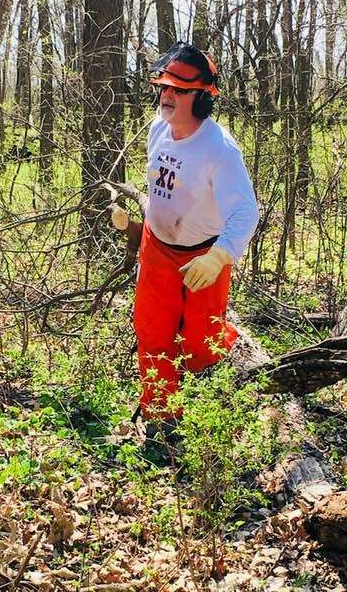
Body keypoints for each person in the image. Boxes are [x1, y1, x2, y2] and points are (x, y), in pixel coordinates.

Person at [112, 42, 259, 434]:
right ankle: (162, 420)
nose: (167, 95)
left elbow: (246, 211)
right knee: (152, 331)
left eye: (178, 89)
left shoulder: (220, 150)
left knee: (201, 344)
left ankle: (220, 371)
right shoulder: (158, 129)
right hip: (157, 250)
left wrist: (219, 256)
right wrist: (137, 223)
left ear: (202, 97)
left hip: (203, 255)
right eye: (164, 87)